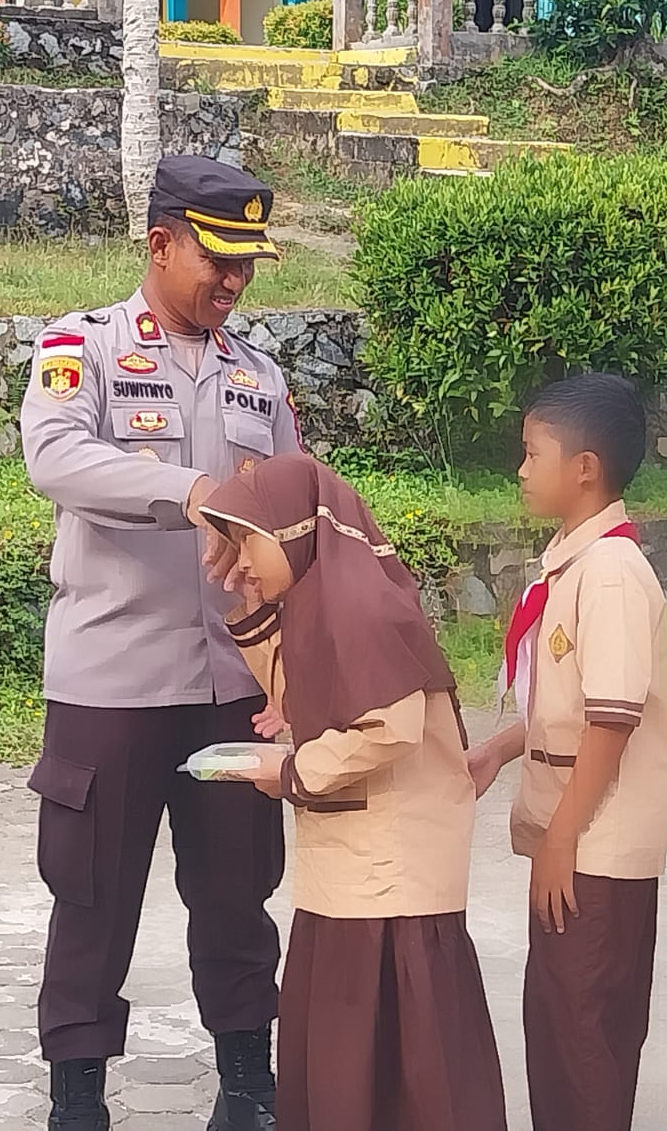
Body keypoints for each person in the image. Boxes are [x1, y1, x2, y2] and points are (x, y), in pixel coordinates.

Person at [19, 155, 303, 1131]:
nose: (234, 281)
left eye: (247, 264)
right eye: (217, 260)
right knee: (91, 900)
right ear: (159, 244)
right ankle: (77, 1102)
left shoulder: (258, 376)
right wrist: (190, 491)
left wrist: (295, 666)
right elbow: (57, 456)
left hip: (232, 685)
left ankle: (248, 1090)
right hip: (112, 682)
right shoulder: (82, 349)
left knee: (238, 892)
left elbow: (293, 515)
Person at [198, 453, 508, 1131]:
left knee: (401, 1076)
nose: (239, 560)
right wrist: (253, 611)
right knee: (347, 1070)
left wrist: (288, 772)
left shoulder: (362, 608)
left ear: (293, 530)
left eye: (249, 540)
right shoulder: (319, 601)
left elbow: (386, 729)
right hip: (349, 873)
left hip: (388, 883)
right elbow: (302, 706)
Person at [465, 373, 667, 1131]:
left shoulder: (611, 575)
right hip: (576, 835)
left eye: (532, 453)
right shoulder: (576, 562)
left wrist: (561, 840)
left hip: (595, 846)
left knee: (584, 1037)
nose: (520, 469)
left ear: (584, 468)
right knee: (559, 1026)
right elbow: (568, 706)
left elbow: (610, 724)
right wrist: (501, 748)